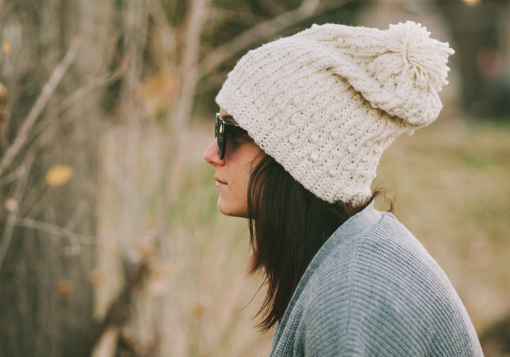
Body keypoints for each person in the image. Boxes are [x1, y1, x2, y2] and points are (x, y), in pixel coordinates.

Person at [204, 21, 483, 356]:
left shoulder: (352, 296)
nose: (211, 154)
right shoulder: (351, 259)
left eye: (230, 132)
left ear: (297, 154)